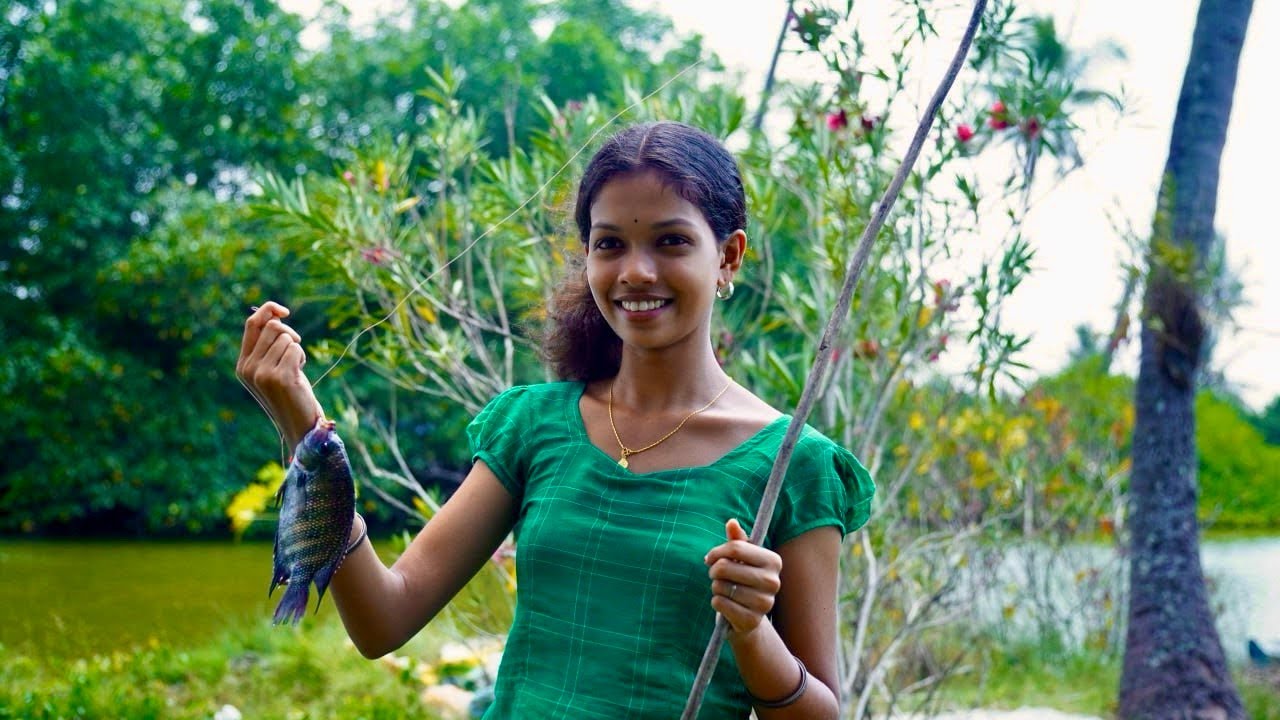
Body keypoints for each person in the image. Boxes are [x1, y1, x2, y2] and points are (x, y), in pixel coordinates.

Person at [236, 121, 875, 719]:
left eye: (672, 241)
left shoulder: (795, 464)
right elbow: (383, 619)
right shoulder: (537, 425)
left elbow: (822, 710)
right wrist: (306, 428)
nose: (636, 271)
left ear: (728, 257)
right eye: (610, 245)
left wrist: (752, 630)